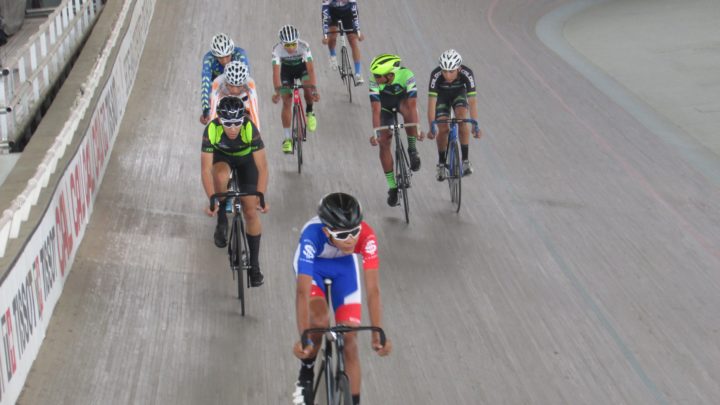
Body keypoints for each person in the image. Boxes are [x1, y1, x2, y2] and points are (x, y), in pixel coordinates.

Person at [291, 192, 392, 405]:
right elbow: (302, 292)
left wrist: (378, 332)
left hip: (344, 269)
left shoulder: (367, 235)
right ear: (327, 231)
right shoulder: (312, 236)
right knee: (319, 320)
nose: (351, 240)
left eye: (355, 232)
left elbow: (373, 289)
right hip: (314, 267)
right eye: (343, 235)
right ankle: (306, 372)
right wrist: (304, 337)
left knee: (350, 341)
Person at [201, 96, 269, 287]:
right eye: (227, 123)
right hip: (222, 159)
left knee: (250, 211)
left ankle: (255, 267)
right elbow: (206, 169)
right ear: (219, 120)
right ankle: (222, 214)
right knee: (221, 176)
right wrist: (212, 201)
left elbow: (262, 167)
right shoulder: (212, 129)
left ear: (243, 120)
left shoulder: (250, 129)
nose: (232, 128)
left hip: (246, 162)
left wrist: (260, 197)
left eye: (237, 123)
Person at [368, 54, 423, 207]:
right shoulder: (374, 81)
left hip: (402, 103)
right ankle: (392, 187)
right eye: (374, 74)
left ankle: (412, 149)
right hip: (384, 107)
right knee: (384, 143)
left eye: (378, 75)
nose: (374, 78)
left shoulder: (407, 75)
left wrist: (417, 128)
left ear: (390, 75)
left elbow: (412, 105)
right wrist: (376, 132)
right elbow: (375, 109)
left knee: (408, 114)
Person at [426, 49, 482, 180]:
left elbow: (472, 102)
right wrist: (431, 127)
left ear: (459, 68)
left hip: (459, 94)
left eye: (451, 71)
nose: (447, 75)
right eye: (444, 71)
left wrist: (475, 125)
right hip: (442, 97)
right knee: (443, 128)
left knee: (462, 119)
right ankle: (441, 164)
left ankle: (466, 161)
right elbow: (431, 104)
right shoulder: (435, 75)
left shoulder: (467, 74)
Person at [271, 24, 320, 154]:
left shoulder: (304, 46)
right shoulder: (276, 50)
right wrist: (277, 91)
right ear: (282, 44)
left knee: (307, 89)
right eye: (287, 45)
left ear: (297, 41)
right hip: (286, 72)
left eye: (293, 44)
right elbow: (276, 73)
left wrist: (314, 89)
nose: (291, 48)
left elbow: (310, 69)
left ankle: (310, 111)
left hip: (302, 69)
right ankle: (287, 139)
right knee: (286, 101)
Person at [200, 33, 250, 125]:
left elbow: (246, 80)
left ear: (232, 52)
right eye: (220, 58)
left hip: (236, 83)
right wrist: (206, 109)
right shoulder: (208, 59)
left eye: (227, 56)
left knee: (247, 109)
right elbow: (205, 84)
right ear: (215, 56)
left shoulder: (240, 55)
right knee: (214, 113)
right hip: (218, 86)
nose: (225, 61)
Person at [321, 0, 365, 85]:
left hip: (348, 14)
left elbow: (354, 13)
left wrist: (358, 31)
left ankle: (358, 73)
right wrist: (326, 35)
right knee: (333, 35)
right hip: (332, 13)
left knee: (353, 41)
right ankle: (332, 55)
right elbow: (325, 15)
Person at [208, 60, 261, 129]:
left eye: (239, 86)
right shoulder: (218, 82)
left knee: (249, 115)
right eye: (231, 86)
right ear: (226, 82)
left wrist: (257, 135)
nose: (235, 91)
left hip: (242, 98)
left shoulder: (250, 83)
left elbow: (254, 111)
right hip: (224, 98)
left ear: (244, 82)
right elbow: (213, 112)